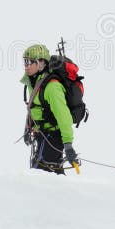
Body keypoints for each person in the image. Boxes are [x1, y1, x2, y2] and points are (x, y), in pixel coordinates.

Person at [21, 44, 79, 174]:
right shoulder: (34, 82)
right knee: (41, 177)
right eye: (25, 61)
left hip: (52, 138)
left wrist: (68, 145)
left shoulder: (52, 87)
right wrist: (27, 128)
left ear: (41, 63)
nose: (26, 65)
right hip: (41, 136)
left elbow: (64, 117)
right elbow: (33, 108)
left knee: (46, 179)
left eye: (30, 61)